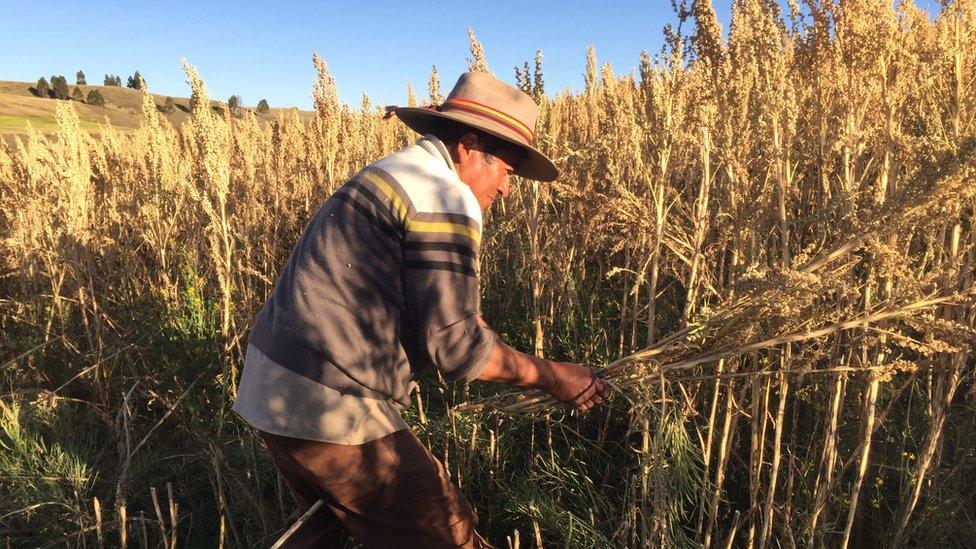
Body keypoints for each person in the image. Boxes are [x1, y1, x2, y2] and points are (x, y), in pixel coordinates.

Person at [232, 71, 610, 548]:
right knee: (446, 531)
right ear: (470, 146)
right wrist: (556, 377)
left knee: (322, 531)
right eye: (506, 172)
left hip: (272, 389)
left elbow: (442, 313)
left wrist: (479, 333)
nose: (507, 190)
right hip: (329, 404)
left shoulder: (396, 172)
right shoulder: (444, 197)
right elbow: (456, 348)